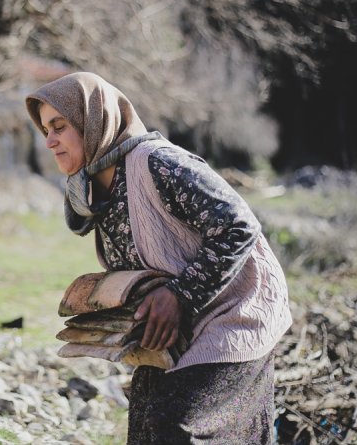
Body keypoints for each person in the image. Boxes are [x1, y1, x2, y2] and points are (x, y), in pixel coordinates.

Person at [25, 72, 292, 444]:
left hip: (234, 313)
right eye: (45, 130)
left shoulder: (157, 162)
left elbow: (238, 226)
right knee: (149, 431)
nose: (50, 140)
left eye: (59, 126)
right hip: (171, 328)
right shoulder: (90, 187)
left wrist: (179, 295)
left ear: (93, 122)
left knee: (179, 428)